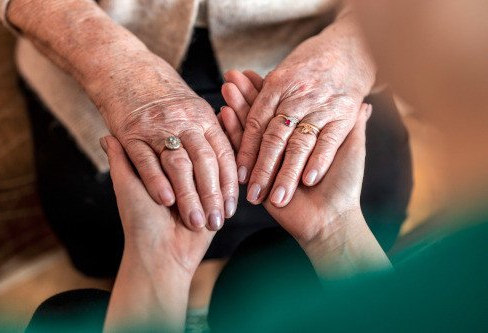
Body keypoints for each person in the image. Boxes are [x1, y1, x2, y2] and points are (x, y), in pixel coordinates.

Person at [25, 0, 488, 331]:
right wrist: (337, 232)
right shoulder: (464, 285)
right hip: (106, 37)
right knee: (284, 262)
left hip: (316, 52)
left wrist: (155, 270)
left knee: (71, 313)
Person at [0, 0, 411, 276]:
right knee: (102, 224)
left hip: (325, 52)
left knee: (372, 203)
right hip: (95, 39)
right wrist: (111, 67)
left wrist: (354, 50)